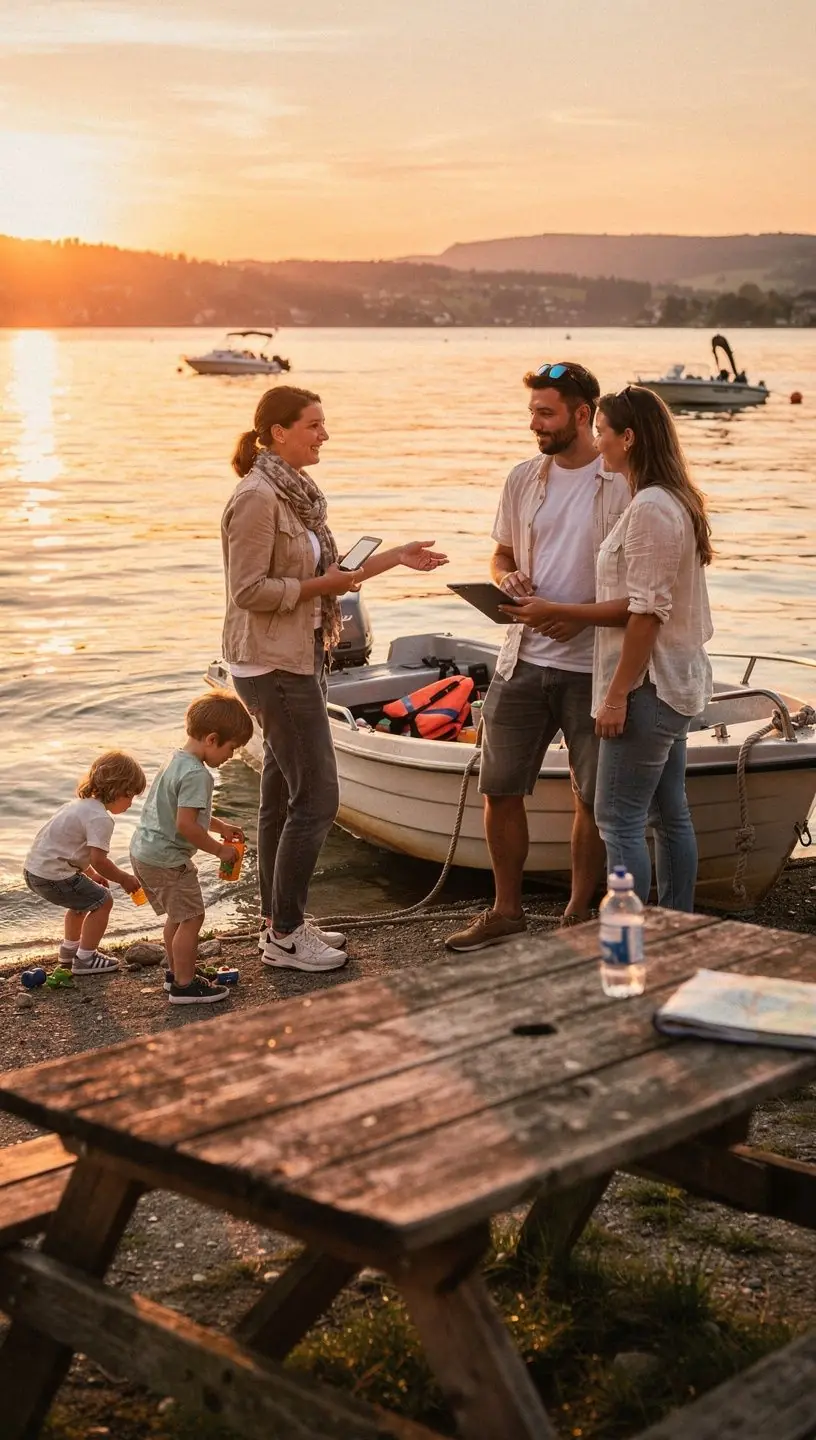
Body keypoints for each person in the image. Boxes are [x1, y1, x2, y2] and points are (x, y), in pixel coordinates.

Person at [222, 385, 448, 972]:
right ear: (278, 433)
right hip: (273, 665)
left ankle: (278, 923)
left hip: (300, 657)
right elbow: (250, 592)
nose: (325, 434)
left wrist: (395, 556)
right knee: (318, 799)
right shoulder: (255, 499)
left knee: (279, 799)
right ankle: (287, 936)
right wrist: (328, 587)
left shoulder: (296, 497)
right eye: (314, 425)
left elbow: (331, 574)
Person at [507, 385, 713, 911]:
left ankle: (634, 937)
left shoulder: (648, 507)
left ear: (629, 437)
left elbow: (646, 613)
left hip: (646, 687)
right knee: (671, 816)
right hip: (675, 682)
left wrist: (617, 693)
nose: (596, 442)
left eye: (601, 431)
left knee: (618, 820)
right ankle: (674, 926)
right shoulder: (673, 499)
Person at [446, 363, 630, 953]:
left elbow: (648, 587)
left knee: (591, 796)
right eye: (532, 412)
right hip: (522, 657)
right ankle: (506, 911)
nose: (535, 424)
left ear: (583, 414)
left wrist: (573, 612)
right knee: (499, 788)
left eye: (545, 413)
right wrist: (509, 578)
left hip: (594, 665)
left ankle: (578, 912)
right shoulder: (523, 478)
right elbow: (499, 554)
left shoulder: (625, 480)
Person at [130, 691, 254, 1005]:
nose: (232, 755)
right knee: (193, 917)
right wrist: (219, 850)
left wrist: (221, 826)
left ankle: (176, 975)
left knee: (178, 916)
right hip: (167, 858)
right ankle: (185, 987)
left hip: (145, 851)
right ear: (212, 739)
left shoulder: (176, 759)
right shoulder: (199, 775)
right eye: (232, 748)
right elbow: (186, 825)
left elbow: (183, 811)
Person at [23, 751, 146, 974]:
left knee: (80, 901)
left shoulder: (77, 805)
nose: (131, 803)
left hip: (34, 871)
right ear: (117, 790)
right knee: (103, 901)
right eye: (130, 796)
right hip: (53, 874)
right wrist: (124, 878)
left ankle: (70, 951)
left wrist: (91, 875)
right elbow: (99, 859)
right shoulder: (100, 817)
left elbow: (70, 851)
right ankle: (86, 958)